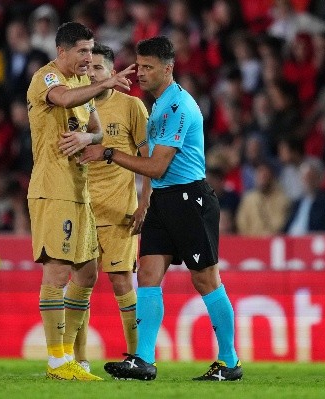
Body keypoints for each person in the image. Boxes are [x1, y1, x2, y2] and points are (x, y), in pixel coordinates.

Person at [80, 36, 242, 381]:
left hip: (189, 199)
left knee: (206, 279)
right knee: (148, 275)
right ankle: (143, 359)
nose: (141, 74)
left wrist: (109, 153)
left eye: (149, 68)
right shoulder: (158, 104)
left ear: (168, 69)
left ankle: (229, 362)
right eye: (139, 66)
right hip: (164, 201)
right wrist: (146, 202)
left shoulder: (176, 107)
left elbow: (157, 168)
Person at [26, 21, 134, 381]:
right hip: (53, 187)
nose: (89, 57)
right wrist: (102, 83)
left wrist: (88, 139)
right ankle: (58, 361)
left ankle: (73, 354)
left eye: (91, 51)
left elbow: (98, 129)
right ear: (62, 52)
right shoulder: (48, 78)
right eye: (83, 51)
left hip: (79, 190)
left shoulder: (79, 83)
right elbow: (63, 101)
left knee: (87, 273)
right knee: (57, 270)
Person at [72, 43, 151, 372]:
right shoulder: (74, 107)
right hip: (81, 208)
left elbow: (150, 160)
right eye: (88, 68)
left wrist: (145, 203)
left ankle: (136, 356)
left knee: (121, 281)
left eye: (99, 68)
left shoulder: (132, 107)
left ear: (112, 73)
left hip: (120, 211)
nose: (92, 73)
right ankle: (76, 361)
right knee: (80, 282)